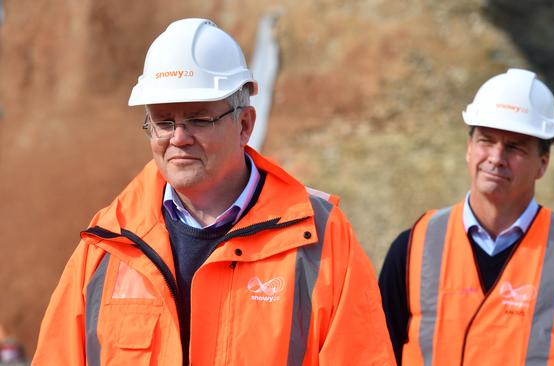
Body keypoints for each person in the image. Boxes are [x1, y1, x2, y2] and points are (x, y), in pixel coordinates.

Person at [33, 18, 395, 366]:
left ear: (245, 124)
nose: (178, 137)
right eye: (163, 122)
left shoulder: (320, 237)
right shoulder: (107, 244)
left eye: (198, 119)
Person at [379, 68, 554, 365]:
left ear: (542, 164)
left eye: (514, 147)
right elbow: (378, 355)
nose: (496, 157)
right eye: (486, 140)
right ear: (469, 148)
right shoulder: (412, 250)